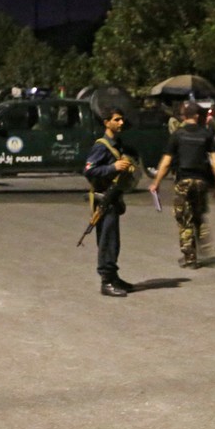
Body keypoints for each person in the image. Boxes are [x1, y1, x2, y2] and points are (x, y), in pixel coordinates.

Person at [149, 100, 215, 268]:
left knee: (184, 219)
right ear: (197, 116)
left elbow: (166, 162)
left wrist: (156, 182)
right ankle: (202, 235)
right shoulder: (207, 134)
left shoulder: (178, 135)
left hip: (183, 181)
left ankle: (190, 256)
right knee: (198, 214)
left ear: (183, 116)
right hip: (201, 182)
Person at [83, 108, 136, 297]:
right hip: (104, 199)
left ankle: (113, 277)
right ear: (107, 122)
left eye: (122, 119)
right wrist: (112, 167)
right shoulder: (101, 146)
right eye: (117, 120)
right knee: (107, 241)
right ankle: (106, 281)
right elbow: (89, 170)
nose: (121, 123)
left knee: (114, 241)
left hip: (113, 198)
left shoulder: (117, 144)